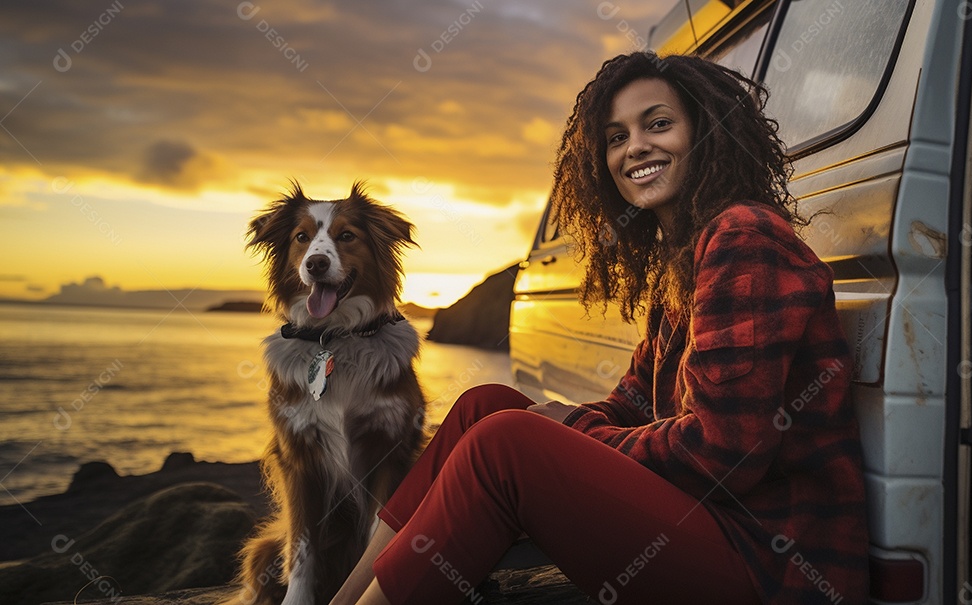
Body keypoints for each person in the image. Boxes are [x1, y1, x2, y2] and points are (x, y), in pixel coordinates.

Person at [331, 51, 869, 605]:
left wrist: (568, 428)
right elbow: (634, 404)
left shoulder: (743, 238)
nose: (635, 146)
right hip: (716, 526)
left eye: (658, 124)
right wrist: (570, 422)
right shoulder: (682, 263)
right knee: (482, 406)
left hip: (771, 563)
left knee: (505, 443)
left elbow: (723, 454)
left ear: (706, 132)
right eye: (616, 137)